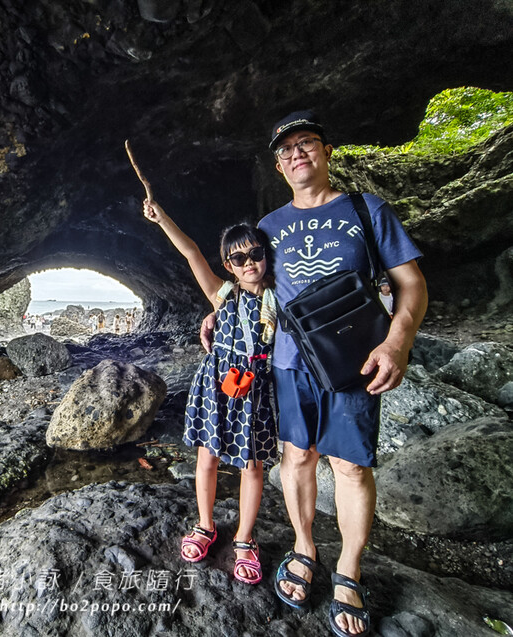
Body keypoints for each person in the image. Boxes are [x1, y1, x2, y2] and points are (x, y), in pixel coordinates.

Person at [201, 111, 427, 637]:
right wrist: (219, 308)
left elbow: (410, 284)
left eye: (306, 143)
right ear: (279, 168)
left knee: (349, 467)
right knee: (296, 455)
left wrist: (397, 341)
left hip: (354, 359)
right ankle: (306, 546)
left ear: (326, 152)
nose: (296, 153)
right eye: (285, 150)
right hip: (288, 361)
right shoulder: (270, 227)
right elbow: (248, 279)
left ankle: (349, 567)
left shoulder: (366, 211)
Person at [144, 199, 279, 585]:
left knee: (251, 467)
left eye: (255, 254)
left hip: (254, 390)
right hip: (216, 385)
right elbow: (190, 252)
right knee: (207, 459)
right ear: (228, 266)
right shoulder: (223, 296)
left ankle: (244, 539)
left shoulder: (279, 298)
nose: (249, 263)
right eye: (239, 259)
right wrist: (163, 217)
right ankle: (205, 525)